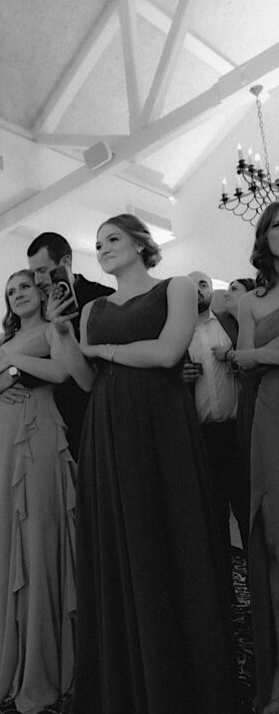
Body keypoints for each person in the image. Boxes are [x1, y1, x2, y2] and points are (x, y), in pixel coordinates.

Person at [55, 213, 235, 714]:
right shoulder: (91, 311)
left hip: (163, 427)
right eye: (98, 243)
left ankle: (180, 676)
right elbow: (85, 381)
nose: (103, 248)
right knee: (121, 540)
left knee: (169, 535)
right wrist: (67, 336)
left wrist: (100, 349)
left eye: (113, 239)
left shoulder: (175, 288)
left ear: (140, 244)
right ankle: (127, 677)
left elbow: (167, 353)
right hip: (108, 430)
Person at [0, 272, 77, 713]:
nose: (17, 294)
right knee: (6, 533)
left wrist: (13, 367)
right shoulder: (2, 339)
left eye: (23, 286)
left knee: (38, 533)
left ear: (40, 291)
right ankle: (5, 647)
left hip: (39, 428)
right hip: (3, 437)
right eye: (10, 291)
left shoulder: (54, 327)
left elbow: (66, 373)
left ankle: (42, 658)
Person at [232, 202, 279, 714]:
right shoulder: (251, 301)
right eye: (276, 224)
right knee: (272, 543)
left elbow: (255, 356)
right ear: (264, 236)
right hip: (268, 413)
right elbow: (243, 360)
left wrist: (263, 355)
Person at [23, 232, 113, 462]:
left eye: (42, 270)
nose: (37, 280)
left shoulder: (102, 298)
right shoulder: (41, 307)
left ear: (65, 263)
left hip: (99, 416)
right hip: (55, 419)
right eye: (33, 272)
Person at [183, 271, 245, 554]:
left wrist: (238, 363)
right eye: (191, 286)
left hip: (237, 433)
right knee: (212, 516)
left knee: (247, 510)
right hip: (201, 438)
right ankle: (224, 593)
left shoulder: (230, 324)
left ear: (211, 292)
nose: (197, 290)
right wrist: (179, 377)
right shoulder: (176, 335)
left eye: (203, 285)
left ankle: (260, 586)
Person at [219, 277, 255, 345]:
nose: (225, 294)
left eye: (234, 289)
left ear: (249, 294)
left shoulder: (264, 328)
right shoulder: (219, 324)